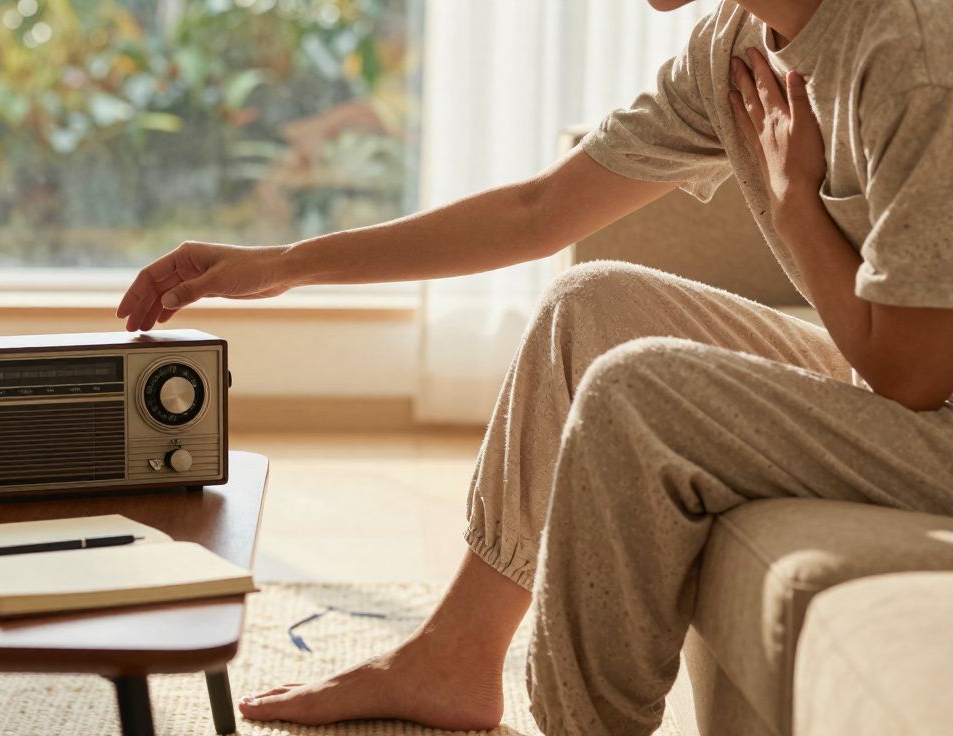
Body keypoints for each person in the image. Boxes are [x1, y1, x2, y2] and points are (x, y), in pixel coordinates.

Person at [116, 0, 953, 733]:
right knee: (590, 306)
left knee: (640, 388)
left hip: (933, 417)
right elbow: (538, 210)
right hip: (898, 391)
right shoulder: (737, 50)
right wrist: (283, 265)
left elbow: (912, 379)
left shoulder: (910, 50)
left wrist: (794, 201)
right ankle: (453, 658)